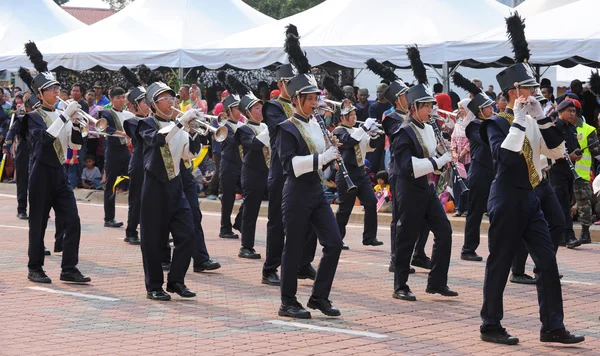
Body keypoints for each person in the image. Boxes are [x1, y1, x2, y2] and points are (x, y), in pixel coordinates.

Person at [479, 13, 584, 345]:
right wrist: (522, 119)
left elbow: (556, 152)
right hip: (507, 197)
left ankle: (552, 325)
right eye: (529, 89)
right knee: (499, 263)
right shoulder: (495, 123)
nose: (534, 93)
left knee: (549, 262)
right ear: (514, 91)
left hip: (532, 196)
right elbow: (505, 158)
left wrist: (542, 119)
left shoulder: (533, 118)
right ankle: (490, 324)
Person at [276, 25, 343, 319]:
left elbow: (321, 161)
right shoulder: (286, 128)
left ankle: (319, 296)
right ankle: (287, 302)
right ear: (297, 100)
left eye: (316, 99)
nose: (316, 103)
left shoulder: (316, 124)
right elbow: (291, 165)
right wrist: (323, 157)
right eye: (311, 99)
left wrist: (331, 155)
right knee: (292, 248)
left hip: (317, 190)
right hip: (297, 192)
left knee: (334, 244)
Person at [390, 46, 456, 302]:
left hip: (426, 189)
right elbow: (410, 167)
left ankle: (437, 282)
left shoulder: (428, 127)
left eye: (432, 105)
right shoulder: (403, 131)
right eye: (428, 106)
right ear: (415, 107)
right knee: (406, 236)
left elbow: (432, 160)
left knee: (445, 232)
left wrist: (445, 156)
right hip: (408, 189)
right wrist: (438, 159)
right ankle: (400, 284)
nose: (432, 110)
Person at [22, 41, 91, 284]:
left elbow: (74, 146)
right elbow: (43, 139)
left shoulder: (63, 114)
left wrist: (76, 125)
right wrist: (64, 116)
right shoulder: (32, 117)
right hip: (40, 173)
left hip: (59, 173)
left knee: (72, 220)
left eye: (57, 88)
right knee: (38, 223)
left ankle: (69, 268)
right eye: (51, 89)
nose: (57, 92)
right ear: (40, 94)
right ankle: (35, 267)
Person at [137, 76, 203, 300]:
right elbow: (157, 140)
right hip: (154, 186)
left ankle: (176, 281)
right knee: (153, 240)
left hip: (176, 184)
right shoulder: (145, 124)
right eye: (165, 98)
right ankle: (154, 286)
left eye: (172, 97)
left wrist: (195, 132)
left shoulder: (179, 126)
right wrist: (180, 123)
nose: (170, 101)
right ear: (154, 104)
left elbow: (189, 154)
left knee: (187, 234)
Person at [365, 58, 424, 273]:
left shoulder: (412, 115)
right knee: (400, 218)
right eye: (406, 96)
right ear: (398, 100)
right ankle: (395, 258)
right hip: (400, 171)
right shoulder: (391, 117)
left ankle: (418, 254)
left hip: (419, 170)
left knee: (422, 217)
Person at [261, 63, 317, 286]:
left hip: (305, 170)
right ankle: (270, 268)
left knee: (312, 218)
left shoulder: (308, 107)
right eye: (289, 83)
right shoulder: (272, 107)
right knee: (277, 221)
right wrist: (302, 109)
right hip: (281, 170)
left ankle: (304, 263)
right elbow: (284, 127)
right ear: (280, 85)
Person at [451, 72, 495, 262]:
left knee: (496, 212)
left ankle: (497, 248)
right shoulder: (474, 126)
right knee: (475, 212)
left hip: (494, 172)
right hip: (479, 172)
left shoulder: (492, 122)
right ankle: (468, 248)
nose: (492, 110)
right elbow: (486, 139)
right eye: (488, 107)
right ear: (479, 111)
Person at [228, 75, 270, 259]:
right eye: (257, 108)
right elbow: (254, 145)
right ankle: (246, 246)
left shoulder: (265, 126)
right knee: (252, 210)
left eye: (261, 108)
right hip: (252, 174)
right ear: (248, 112)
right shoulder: (244, 129)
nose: (261, 111)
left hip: (268, 173)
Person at [120, 66, 150, 245]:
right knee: (136, 199)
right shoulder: (131, 121)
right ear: (134, 105)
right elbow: (141, 134)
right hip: (139, 163)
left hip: (152, 163)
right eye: (144, 102)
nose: (148, 105)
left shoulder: (152, 120)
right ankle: (131, 231)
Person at [548, 100, 582, 249]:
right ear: (561, 112)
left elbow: (576, 147)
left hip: (569, 173)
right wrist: (569, 156)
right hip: (557, 172)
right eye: (570, 111)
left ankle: (561, 237)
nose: (572, 114)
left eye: (574, 111)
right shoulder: (554, 128)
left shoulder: (571, 128)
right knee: (561, 205)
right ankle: (568, 237)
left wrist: (578, 154)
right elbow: (550, 152)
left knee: (565, 204)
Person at [97, 88, 132, 228]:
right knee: (110, 184)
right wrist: (123, 133)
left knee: (136, 178)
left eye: (123, 97)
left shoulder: (128, 114)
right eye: (118, 97)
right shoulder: (106, 112)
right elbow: (105, 128)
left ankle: (137, 215)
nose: (121, 100)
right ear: (111, 99)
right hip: (112, 151)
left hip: (125, 150)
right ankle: (109, 218)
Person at [216, 72, 244, 239]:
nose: (239, 112)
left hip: (241, 164)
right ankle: (224, 228)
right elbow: (233, 141)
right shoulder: (224, 125)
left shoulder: (241, 124)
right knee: (227, 199)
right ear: (229, 111)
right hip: (228, 164)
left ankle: (240, 221)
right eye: (236, 109)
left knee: (253, 191)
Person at [450, 98, 472, 217]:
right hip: (457, 160)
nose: (461, 111)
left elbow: (471, 142)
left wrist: (462, 153)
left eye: (463, 108)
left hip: (467, 159)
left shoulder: (472, 123)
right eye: (460, 108)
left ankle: (468, 208)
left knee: (467, 183)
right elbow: (453, 139)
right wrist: (454, 151)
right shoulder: (458, 123)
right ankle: (458, 208)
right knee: (456, 184)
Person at [367, 83, 392, 174]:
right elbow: (374, 122)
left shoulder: (391, 106)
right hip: (377, 136)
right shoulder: (373, 106)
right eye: (377, 92)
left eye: (381, 92)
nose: (378, 94)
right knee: (375, 160)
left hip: (389, 136)